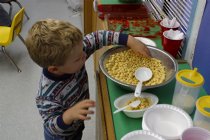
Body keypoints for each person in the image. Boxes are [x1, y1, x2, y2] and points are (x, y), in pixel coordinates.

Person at [25, 18, 150, 140]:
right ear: (55, 69)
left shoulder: (75, 52)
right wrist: (69, 115)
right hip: (60, 136)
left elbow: (98, 37)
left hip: (77, 125)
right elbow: (51, 125)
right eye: (78, 58)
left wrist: (129, 40)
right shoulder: (47, 95)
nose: (85, 54)